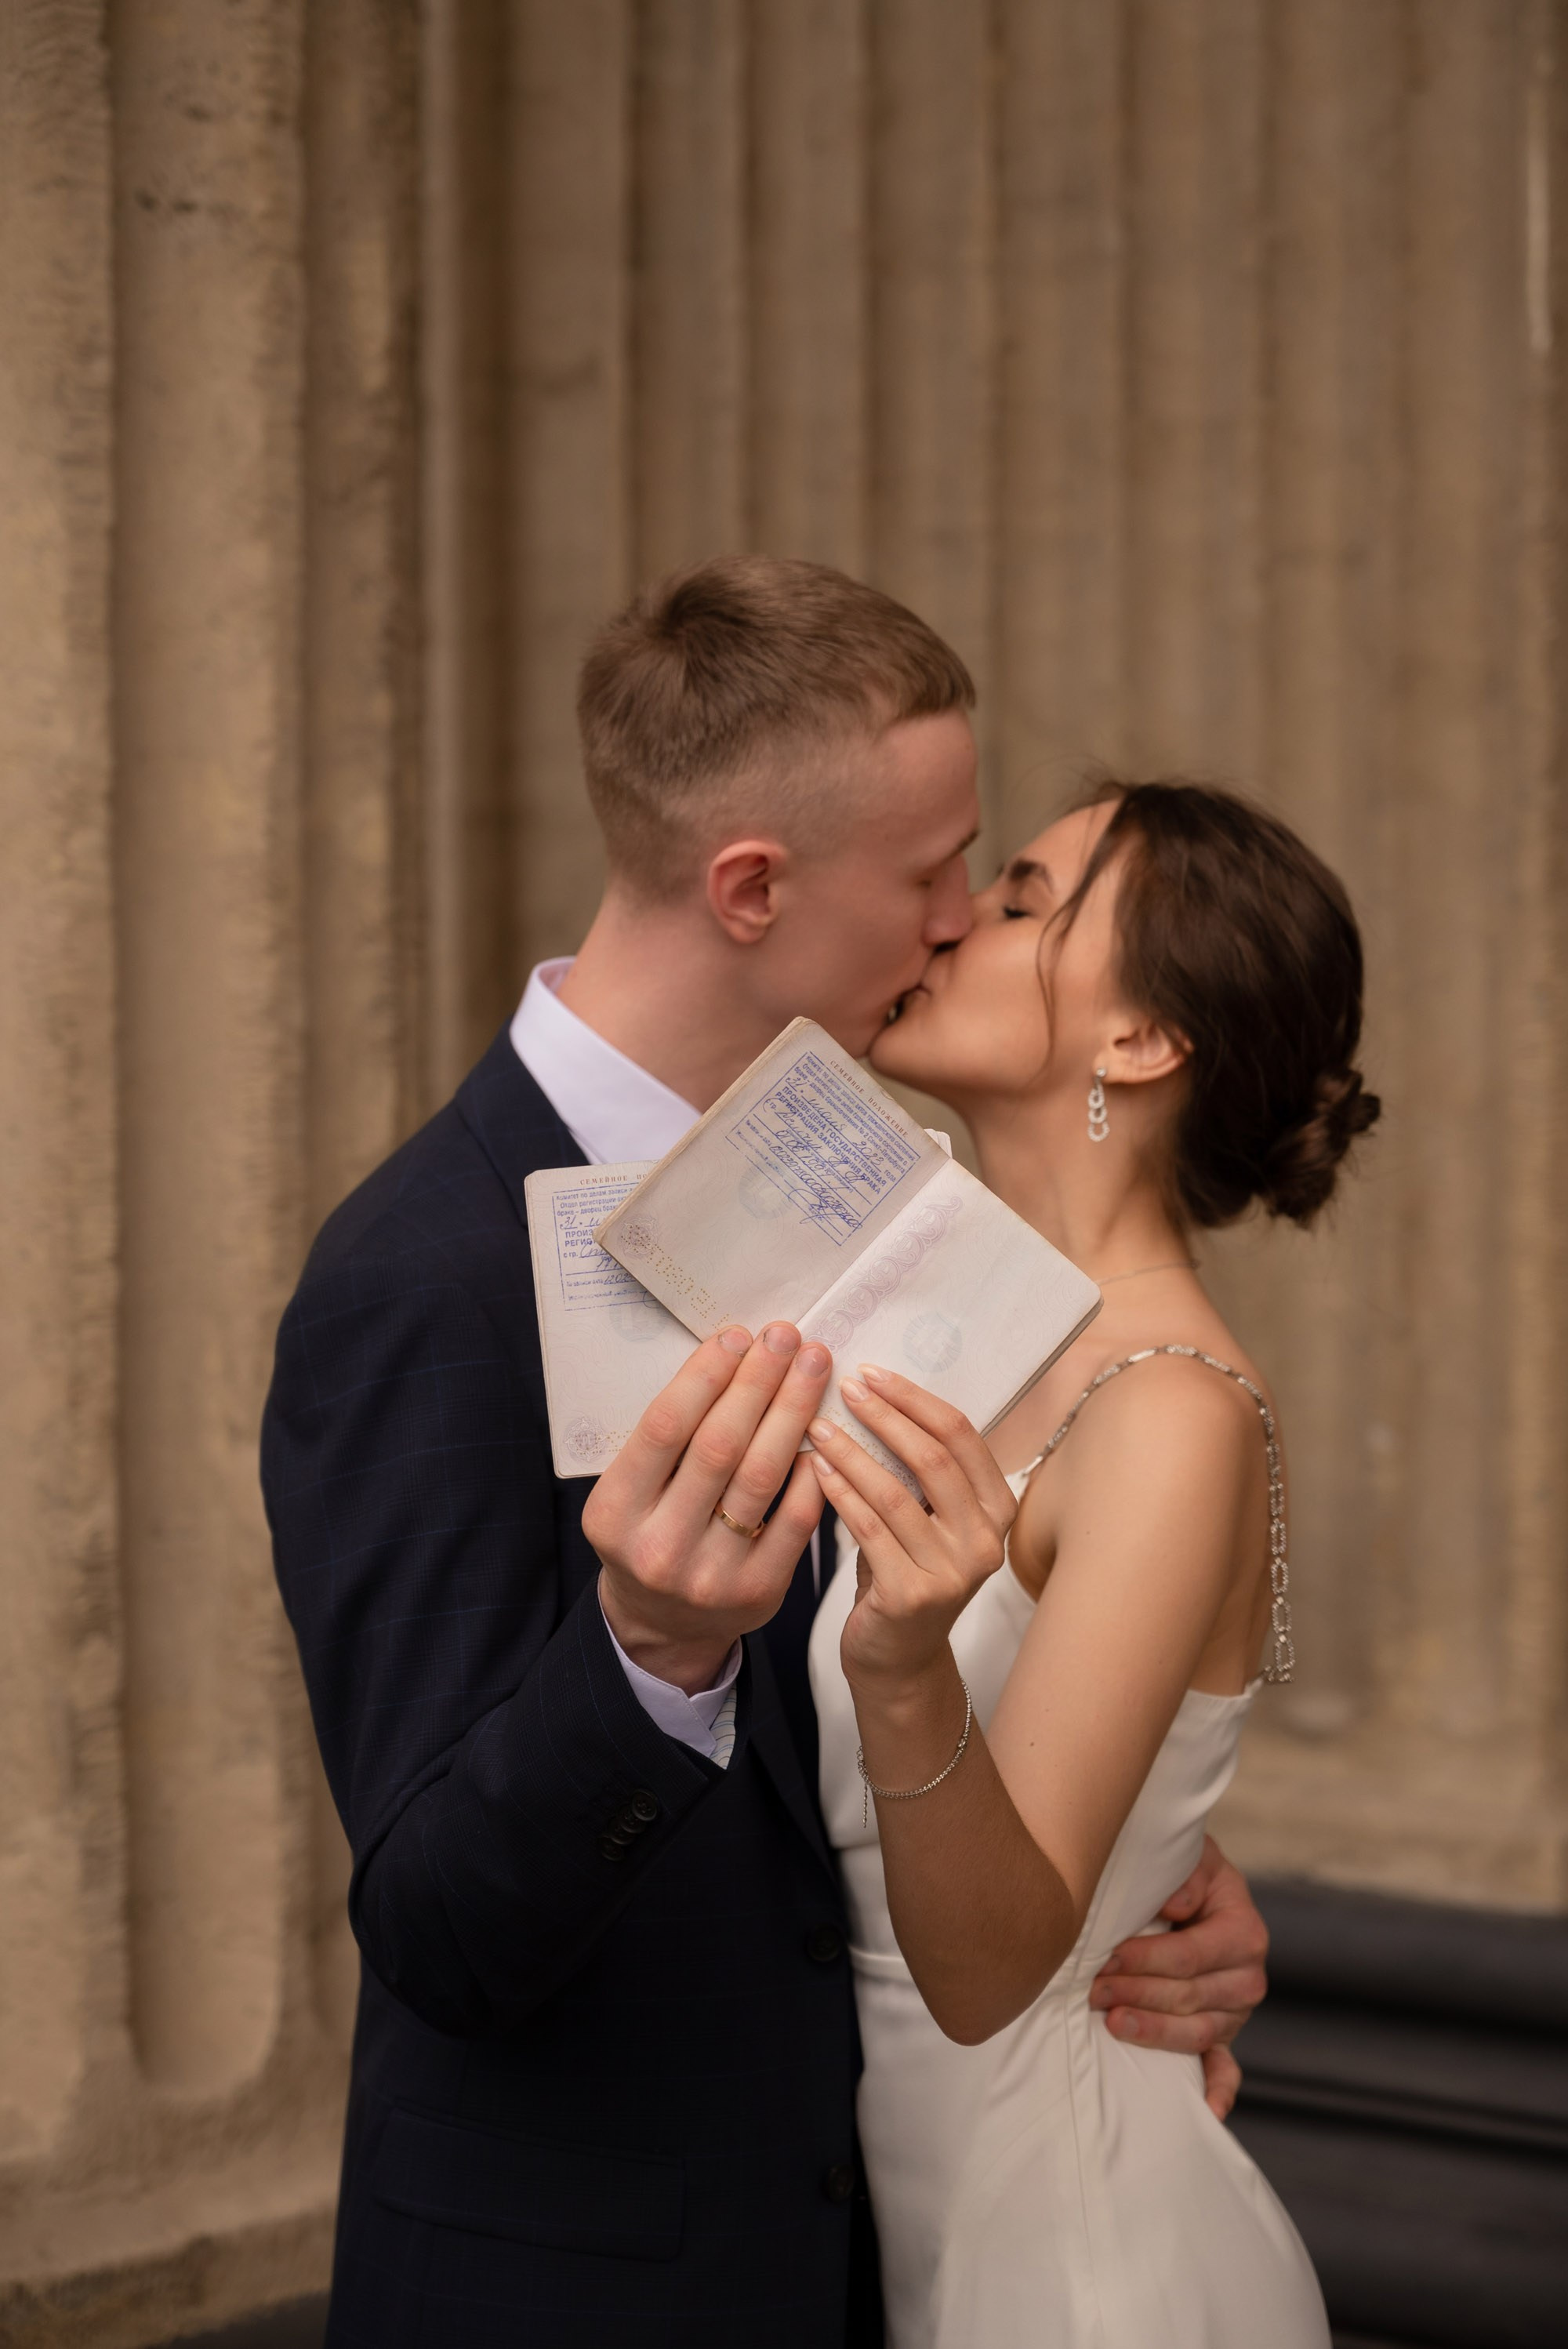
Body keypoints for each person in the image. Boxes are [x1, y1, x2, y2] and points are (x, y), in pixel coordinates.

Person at [263, 561, 1272, 2349]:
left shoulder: (894, 1202)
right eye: (932, 873)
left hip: (884, 2256)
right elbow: (437, 1930)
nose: (957, 919)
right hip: (586, 2295)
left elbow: (963, 1716)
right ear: (752, 888)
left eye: (993, 877)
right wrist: (646, 1654)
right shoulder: (413, 1274)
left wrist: (1141, 1878)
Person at [804, 779, 1379, 2346]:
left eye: (1017, 902)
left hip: (1074, 2271)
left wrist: (904, 1663)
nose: (952, 920)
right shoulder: (952, 1346)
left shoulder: (1175, 1412)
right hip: (896, 2241)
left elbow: (993, 1965)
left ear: (1137, 1042)